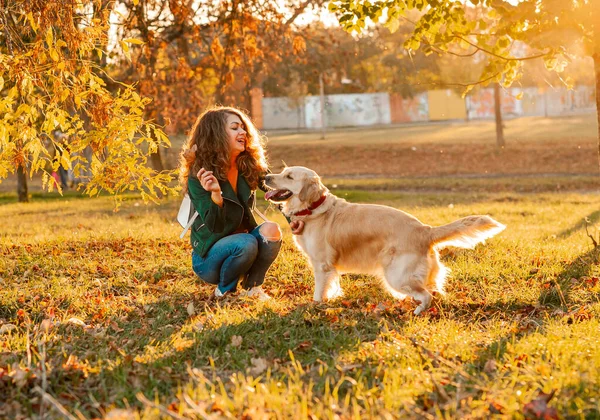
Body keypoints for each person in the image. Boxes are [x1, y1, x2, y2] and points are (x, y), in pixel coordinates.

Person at [179, 106, 285, 300]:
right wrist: (216, 195)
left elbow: (276, 191)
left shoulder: (248, 165)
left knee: (272, 230)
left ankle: (253, 288)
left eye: (243, 127)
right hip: (209, 258)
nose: (243, 132)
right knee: (246, 242)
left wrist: (295, 216)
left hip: (245, 244)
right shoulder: (200, 175)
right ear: (217, 134)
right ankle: (224, 291)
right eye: (235, 128)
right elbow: (215, 226)